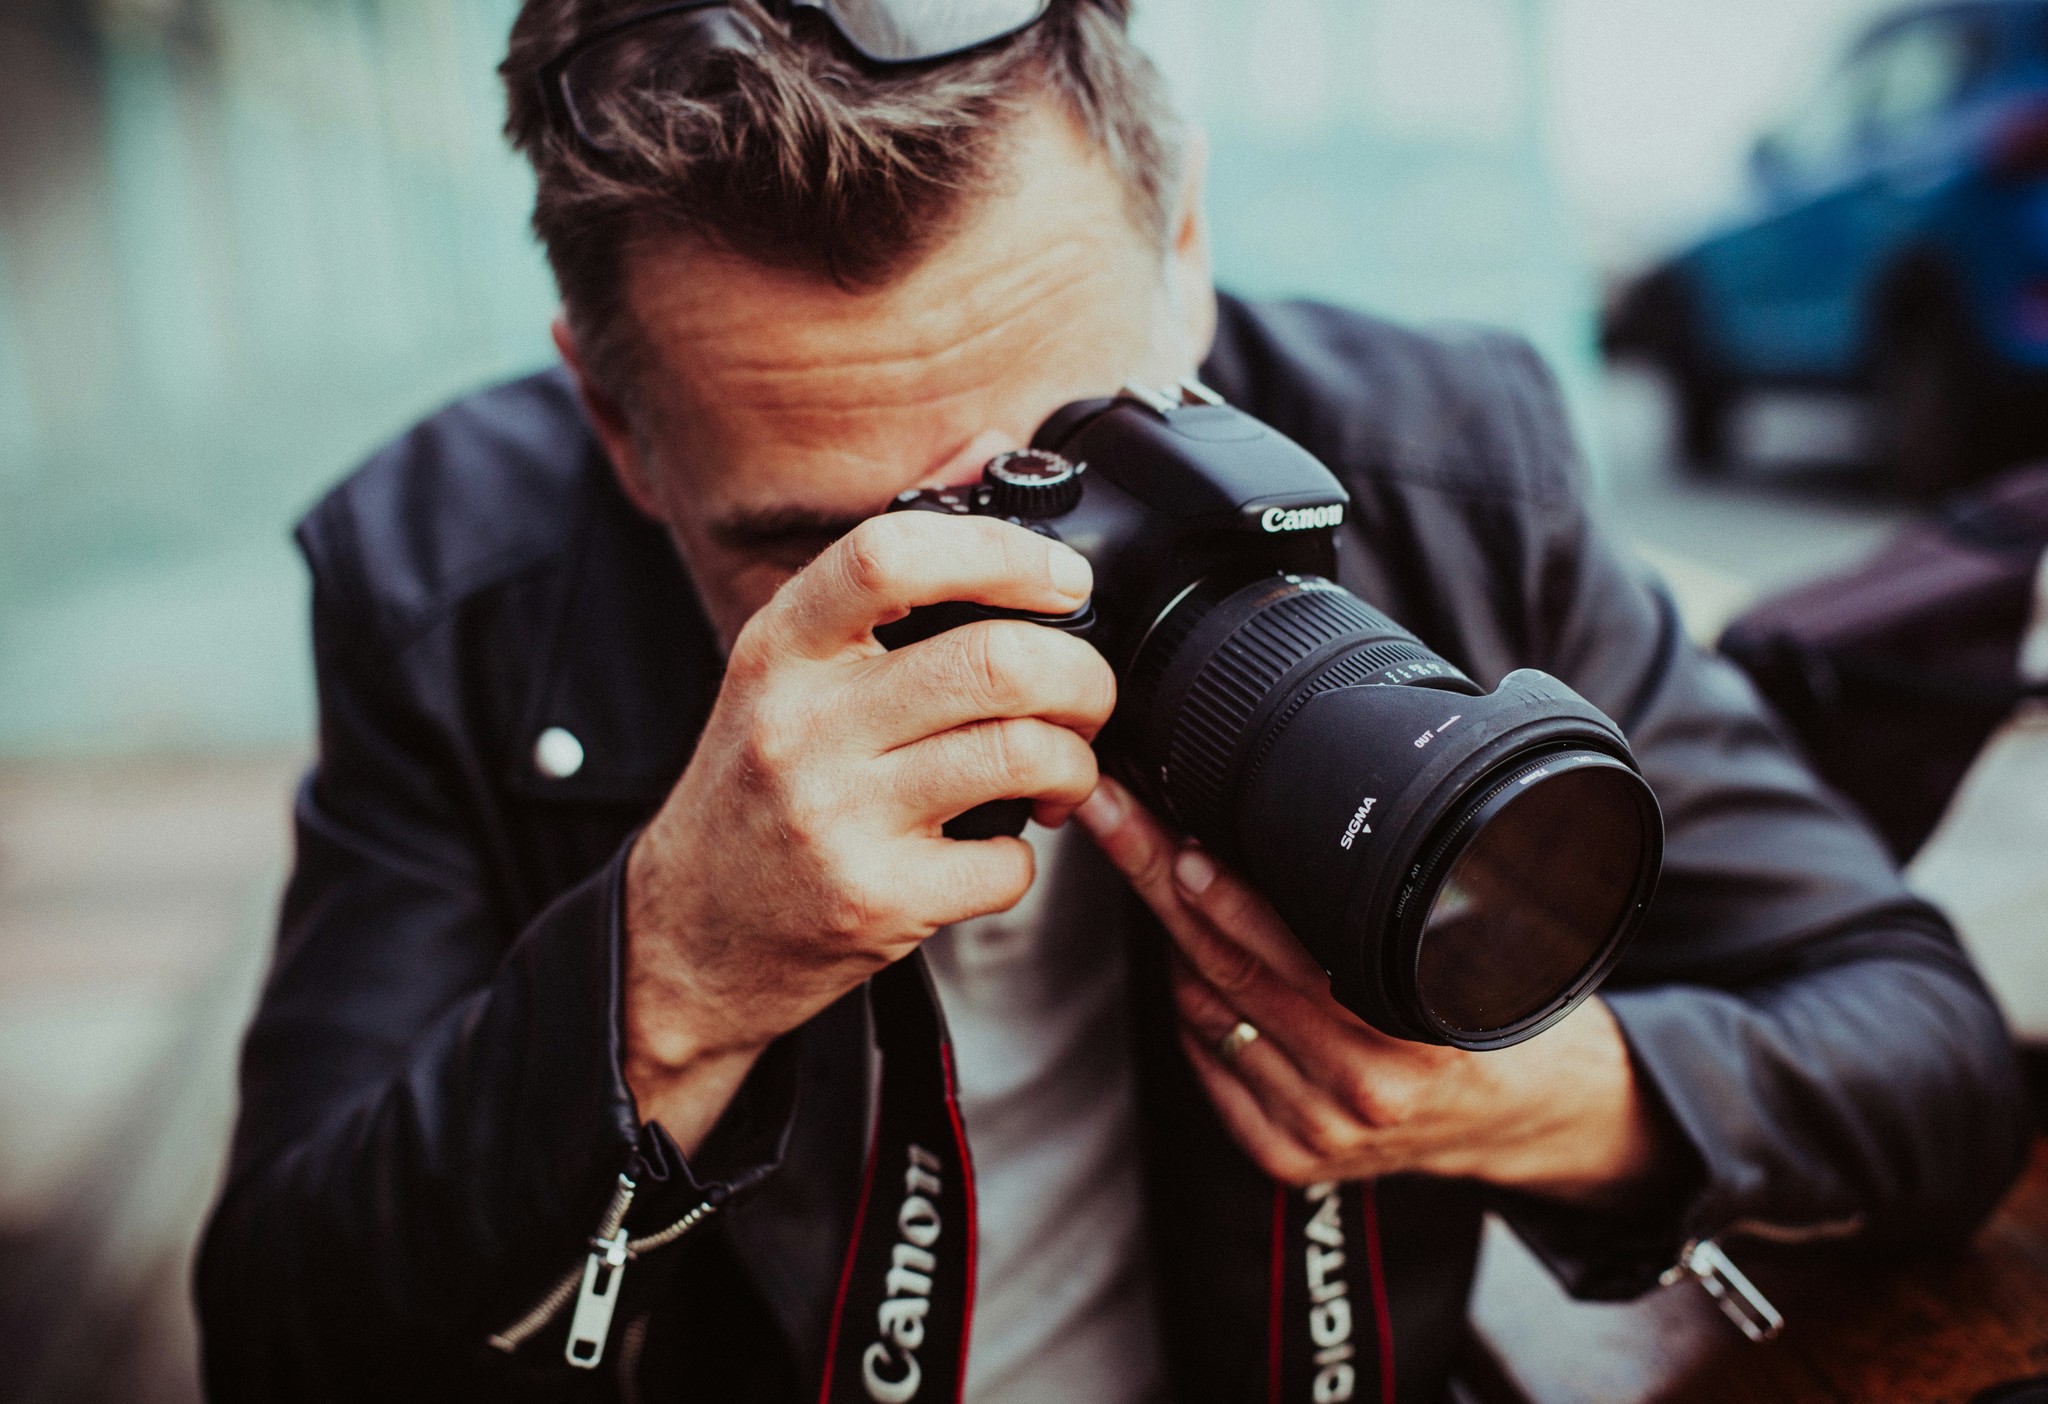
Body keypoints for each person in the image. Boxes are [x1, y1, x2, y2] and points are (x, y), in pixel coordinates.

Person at [194, 2, 2030, 1401]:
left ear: (1189, 257)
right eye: (810, 548)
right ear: (614, 418)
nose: (967, 596)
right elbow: (287, 1335)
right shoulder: (443, 587)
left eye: (1062, 472)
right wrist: (669, 974)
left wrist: (1541, 1098)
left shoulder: (1447, 474)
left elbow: (1926, 1056)